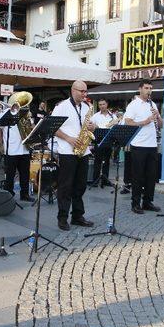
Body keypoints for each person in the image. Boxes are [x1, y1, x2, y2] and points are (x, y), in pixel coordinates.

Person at [52, 80, 96, 231]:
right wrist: (69, 138)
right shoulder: (61, 107)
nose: (84, 94)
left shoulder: (87, 107)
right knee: (65, 187)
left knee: (80, 185)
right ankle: (62, 218)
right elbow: (53, 128)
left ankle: (77, 216)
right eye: (81, 91)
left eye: (86, 91)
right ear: (73, 90)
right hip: (67, 151)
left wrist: (93, 126)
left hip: (83, 151)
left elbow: (91, 126)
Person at [124, 80, 163, 214]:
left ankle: (147, 202)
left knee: (151, 176)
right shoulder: (133, 105)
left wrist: (158, 117)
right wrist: (144, 122)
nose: (149, 91)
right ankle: (135, 204)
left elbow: (161, 125)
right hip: (139, 145)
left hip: (152, 145)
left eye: (150, 88)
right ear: (140, 89)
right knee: (137, 176)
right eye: (146, 88)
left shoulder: (152, 104)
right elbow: (128, 123)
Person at [0, 109, 34, 202]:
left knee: (25, 174)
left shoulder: (26, 114)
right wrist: (1, 144)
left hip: (24, 149)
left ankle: (24, 194)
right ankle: (8, 195)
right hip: (11, 150)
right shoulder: (6, 113)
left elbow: (31, 128)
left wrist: (30, 123)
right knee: (10, 175)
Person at [90, 99, 115, 187]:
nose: (102, 106)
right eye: (100, 105)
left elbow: (115, 128)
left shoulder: (113, 116)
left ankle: (105, 180)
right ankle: (95, 181)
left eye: (103, 104)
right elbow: (90, 128)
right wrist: (94, 127)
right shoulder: (95, 116)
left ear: (107, 104)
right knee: (98, 161)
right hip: (98, 140)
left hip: (109, 140)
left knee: (107, 161)